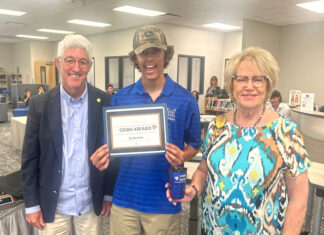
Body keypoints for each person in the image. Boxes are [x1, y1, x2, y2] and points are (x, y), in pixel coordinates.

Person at [167, 47, 310, 235]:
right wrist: (193, 189)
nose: (249, 86)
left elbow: (298, 200)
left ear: (268, 84)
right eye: (241, 78)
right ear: (231, 85)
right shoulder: (216, 126)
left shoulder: (287, 133)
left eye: (258, 79)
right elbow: (203, 170)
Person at [91, 25, 201, 235]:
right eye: (143, 53)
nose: (149, 59)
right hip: (125, 200)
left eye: (155, 51)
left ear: (165, 54)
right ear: (136, 58)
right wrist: (102, 158)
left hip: (165, 200)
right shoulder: (120, 99)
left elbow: (195, 144)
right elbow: (111, 148)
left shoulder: (185, 99)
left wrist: (183, 155)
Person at [21, 34, 118, 235]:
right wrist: (31, 204)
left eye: (82, 62)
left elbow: (113, 153)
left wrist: (108, 193)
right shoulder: (40, 105)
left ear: (90, 66)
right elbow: (29, 158)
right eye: (69, 61)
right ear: (58, 63)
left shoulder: (105, 102)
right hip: (53, 204)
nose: (76, 68)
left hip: (90, 203)